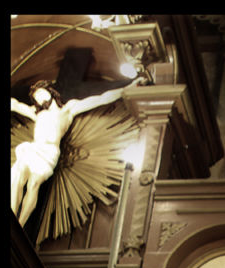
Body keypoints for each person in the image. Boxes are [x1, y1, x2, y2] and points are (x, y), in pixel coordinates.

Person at [11, 77, 140, 227]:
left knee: (33, 185)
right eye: (36, 97)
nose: (39, 98)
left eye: (40, 93)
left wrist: (127, 89)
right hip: (33, 148)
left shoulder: (68, 110)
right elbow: (15, 105)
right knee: (18, 174)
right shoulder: (36, 113)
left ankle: (19, 224)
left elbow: (100, 99)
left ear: (49, 91)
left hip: (48, 153)